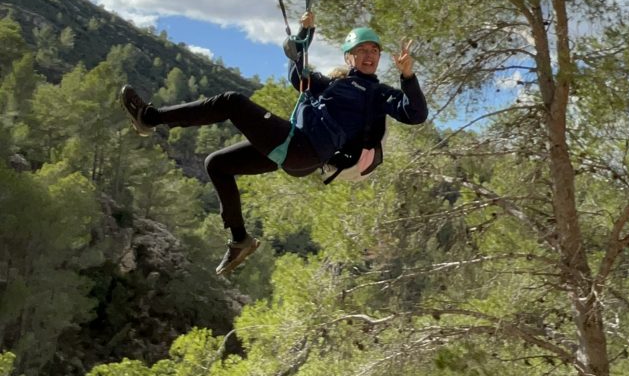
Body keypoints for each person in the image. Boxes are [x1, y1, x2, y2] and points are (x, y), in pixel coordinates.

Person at [120, 17, 428, 277]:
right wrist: (304, 35)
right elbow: (298, 74)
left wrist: (408, 76)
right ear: (349, 57)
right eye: (361, 50)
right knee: (217, 164)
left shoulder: (378, 93)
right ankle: (240, 240)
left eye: (374, 50)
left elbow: (415, 114)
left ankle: (150, 118)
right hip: (295, 147)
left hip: (306, 150)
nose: (369, 54)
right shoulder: (332, 83)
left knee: (232, 103)